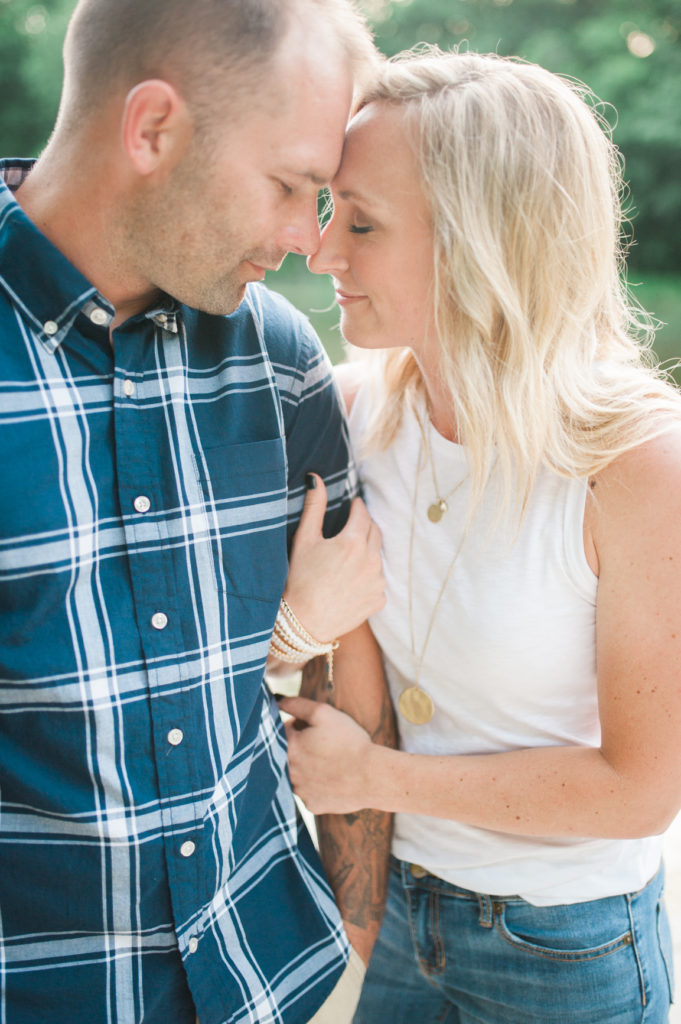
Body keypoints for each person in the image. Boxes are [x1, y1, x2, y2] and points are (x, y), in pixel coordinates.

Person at [0, 2, 395, 1022]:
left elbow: (346, 662)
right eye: (290, 188)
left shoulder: (277, 357)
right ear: (152, 131)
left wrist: (358, 926)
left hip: (267, 979)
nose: (303, 242)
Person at [280, 49, 681, 1023]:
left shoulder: (633, 464)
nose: (321, 252)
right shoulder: (348, 414)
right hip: (397, 925)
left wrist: (373, 777)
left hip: (567, 946)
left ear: (484, 239)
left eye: (362, 223)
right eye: (330, 210)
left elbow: (639, 790)